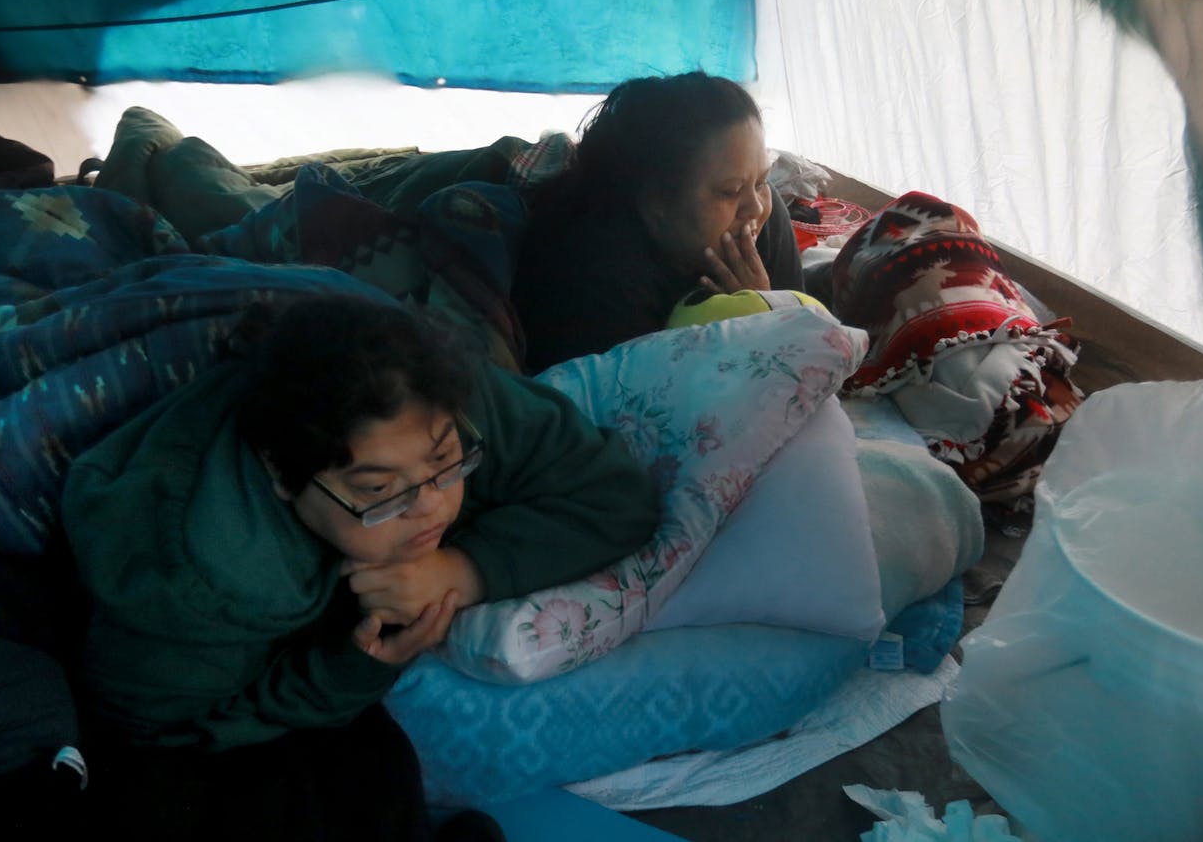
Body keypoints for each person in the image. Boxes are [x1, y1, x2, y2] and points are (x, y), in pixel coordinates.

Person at [60, 292, 660, 841]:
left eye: (446, 462)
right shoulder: (207, 574)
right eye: (378, 490)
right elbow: (150, 735)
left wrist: (461, 569)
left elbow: (618, 495)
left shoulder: (429, 397)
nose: (431, 506)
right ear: (282, 475)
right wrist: (346, 672)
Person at [511, 71, 805, 373]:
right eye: (729, 191)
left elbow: (811, 352)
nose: (755, 207)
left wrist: (771, 307)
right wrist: (758, 327)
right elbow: (649, 406)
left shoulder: (761, 224)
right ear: (657, 203)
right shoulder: (588, 279)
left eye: (761, 181)